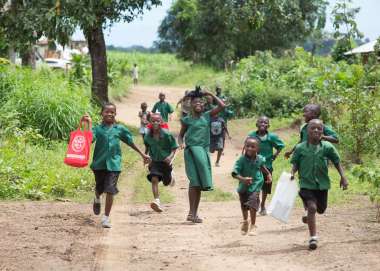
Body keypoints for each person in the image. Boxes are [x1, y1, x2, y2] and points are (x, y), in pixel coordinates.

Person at [82, 103, 150, 228]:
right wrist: (89, 124)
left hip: (114, 165)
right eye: (107, 111)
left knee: (110, 190)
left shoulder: (120, 129)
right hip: (99, 164)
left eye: (112, 112)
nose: (109, 114)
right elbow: (89, 139)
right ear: (102, 113)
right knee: (100, 188)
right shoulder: (97, 129)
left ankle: (106, 218)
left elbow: (130, 142)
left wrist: (142, 155)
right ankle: (97, 197)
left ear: (115, 114)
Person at [290, 119, 348, 250]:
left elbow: (337, 161)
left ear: (322, 131)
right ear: (307, 131)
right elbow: (295, 164)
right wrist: (292, 172)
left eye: (319, 128)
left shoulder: (327, 147)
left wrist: (343, 177)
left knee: (321, 209)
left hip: (322, 185)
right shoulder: (300, 148)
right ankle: (313, 238)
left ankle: (309, 216)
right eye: (312, 128)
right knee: (312, 208)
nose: (316, 130)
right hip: (306, 184)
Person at [178, 89, 225, 223]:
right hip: (191, 152)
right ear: (191, 104)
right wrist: (181, 143)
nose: (198, 104)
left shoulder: (207, 115)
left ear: (204, 105)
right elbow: (181, 136)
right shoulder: (186, 120)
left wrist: (210, 93)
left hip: (203, 153)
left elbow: (222, 106)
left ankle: (194, 214)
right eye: (195, 102)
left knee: (199, 183)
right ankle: (191, 213)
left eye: (200, 102)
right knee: (194, 181)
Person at [232, 137, 272, 236]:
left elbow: (262, 167)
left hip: (256, 184)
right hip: (243, 187)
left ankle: (253, 225)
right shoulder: (241, 160)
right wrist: (243, 179)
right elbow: (234, 173)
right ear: (244, 147)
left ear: (257, 149)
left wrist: (268, 174)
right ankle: (245, 221)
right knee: (244, 206)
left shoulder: (260, 158)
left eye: (253, 147)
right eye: (247, 146)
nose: (250, 148)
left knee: (253, 203)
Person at [247, 116, 285, 215]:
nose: (263, 124)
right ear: (257, 124)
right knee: (255, 186)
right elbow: (246, 147)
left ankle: (263, 205)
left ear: (268, 125)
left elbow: (280, 146)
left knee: (266, 186)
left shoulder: (272, 137)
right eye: (261, 122)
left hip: (267, 165)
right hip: (254, 165)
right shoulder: (252, 135)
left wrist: (275, 156)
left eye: (265, 122)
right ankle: (255, 202)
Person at [144, 114, 178, 212]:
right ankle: (157, 201)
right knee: (154, 179)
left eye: (157, 121)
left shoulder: (167, 135)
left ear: (161, 122)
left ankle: (171, 175)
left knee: (166, 182)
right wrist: (146, 157)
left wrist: (170, 157)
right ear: (150, 123)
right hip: (154, 161)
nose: (155, 123)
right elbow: (147, 147)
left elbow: (174, 147)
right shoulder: (147, 136)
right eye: (153, 121)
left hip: (165, 162)